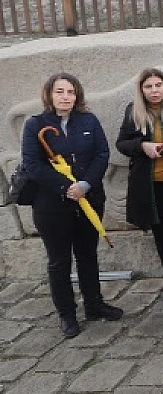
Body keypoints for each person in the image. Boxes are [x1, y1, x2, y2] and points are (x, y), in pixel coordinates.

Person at [22, 73, 120, 339]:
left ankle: (94, 304)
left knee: (87, 254)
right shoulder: (35, 125)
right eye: (60, 92)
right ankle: (67, 314)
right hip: (52, 205)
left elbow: (102, 153)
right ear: (49, 95)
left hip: (89, 198)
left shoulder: (88, 120)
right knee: (59, 260)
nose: (66, 97)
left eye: (71, 92)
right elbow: (33, 165)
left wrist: (85, 184)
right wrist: (65, 188)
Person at [117, 68, 163, 302]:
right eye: (149, 87)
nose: (154, 91)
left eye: (158, 85)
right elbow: (122, 143)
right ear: (142, 90)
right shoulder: (134, 112)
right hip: (152, 186)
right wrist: (142, 146)